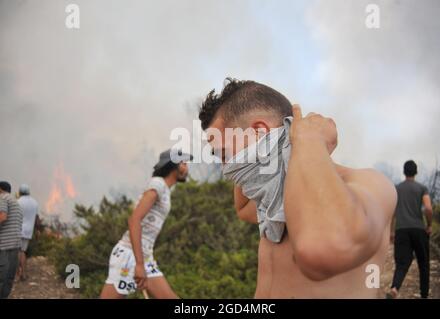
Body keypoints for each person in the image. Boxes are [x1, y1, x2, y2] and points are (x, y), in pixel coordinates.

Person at [199, 78, 397, 298]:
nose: (226, 169)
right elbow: (242, 207)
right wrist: (268, 159)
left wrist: (310, 139)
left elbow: (326, 246)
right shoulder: (272, 203)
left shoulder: (370, 184)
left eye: (224, 155)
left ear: (260, 133)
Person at [100, 149, 192, 299]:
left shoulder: (165, 190)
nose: (186, 166)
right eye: (183, 163)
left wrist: (143, 261)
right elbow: (134, 220)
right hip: (129, 256)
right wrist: (139, 264)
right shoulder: (158, 184)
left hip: (144, 256)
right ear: (173, 165)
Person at [387, 160, 433, 299]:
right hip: (419, 230)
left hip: (402, 230)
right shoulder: (422, 188)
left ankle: (394, 288)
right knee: (423, 264)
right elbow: (428, 208)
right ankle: (424, 295)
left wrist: (392, 231)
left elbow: (392, 212)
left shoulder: (397, 188)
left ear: (404, 172)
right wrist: (429, 225)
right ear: (416, 172)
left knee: (401, 263)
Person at [0, 181, 23, 299]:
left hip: (3, 244)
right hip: (15, 244)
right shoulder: (17, 203)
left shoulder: (2, 198)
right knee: (9, 277)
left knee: (1, 276)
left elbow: (2, 217)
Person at [16, 184, 39, 281]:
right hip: (29, 231)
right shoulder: (35, 202)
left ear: (20, 192)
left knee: (17, 252)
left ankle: (18, 273)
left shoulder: (18, 202)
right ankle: (23, 273)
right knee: (23, 251)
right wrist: (37, 230)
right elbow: (37, 218)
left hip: (17, 229)